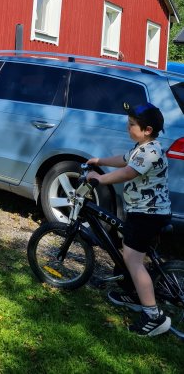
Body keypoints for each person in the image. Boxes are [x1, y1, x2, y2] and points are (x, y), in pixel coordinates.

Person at [87, 102, 172, 337]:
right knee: (126, 249)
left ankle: (153, 316)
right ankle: (134, 295)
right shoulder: (141, 147)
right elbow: (124, 160)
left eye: (132, 125)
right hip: (141, 211)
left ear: (147, 129)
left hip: (148, 215)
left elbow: (128, 172)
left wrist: (99, 180)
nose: (128, 127)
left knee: (133, 260)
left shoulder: (151, 151)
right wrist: (100, 161)